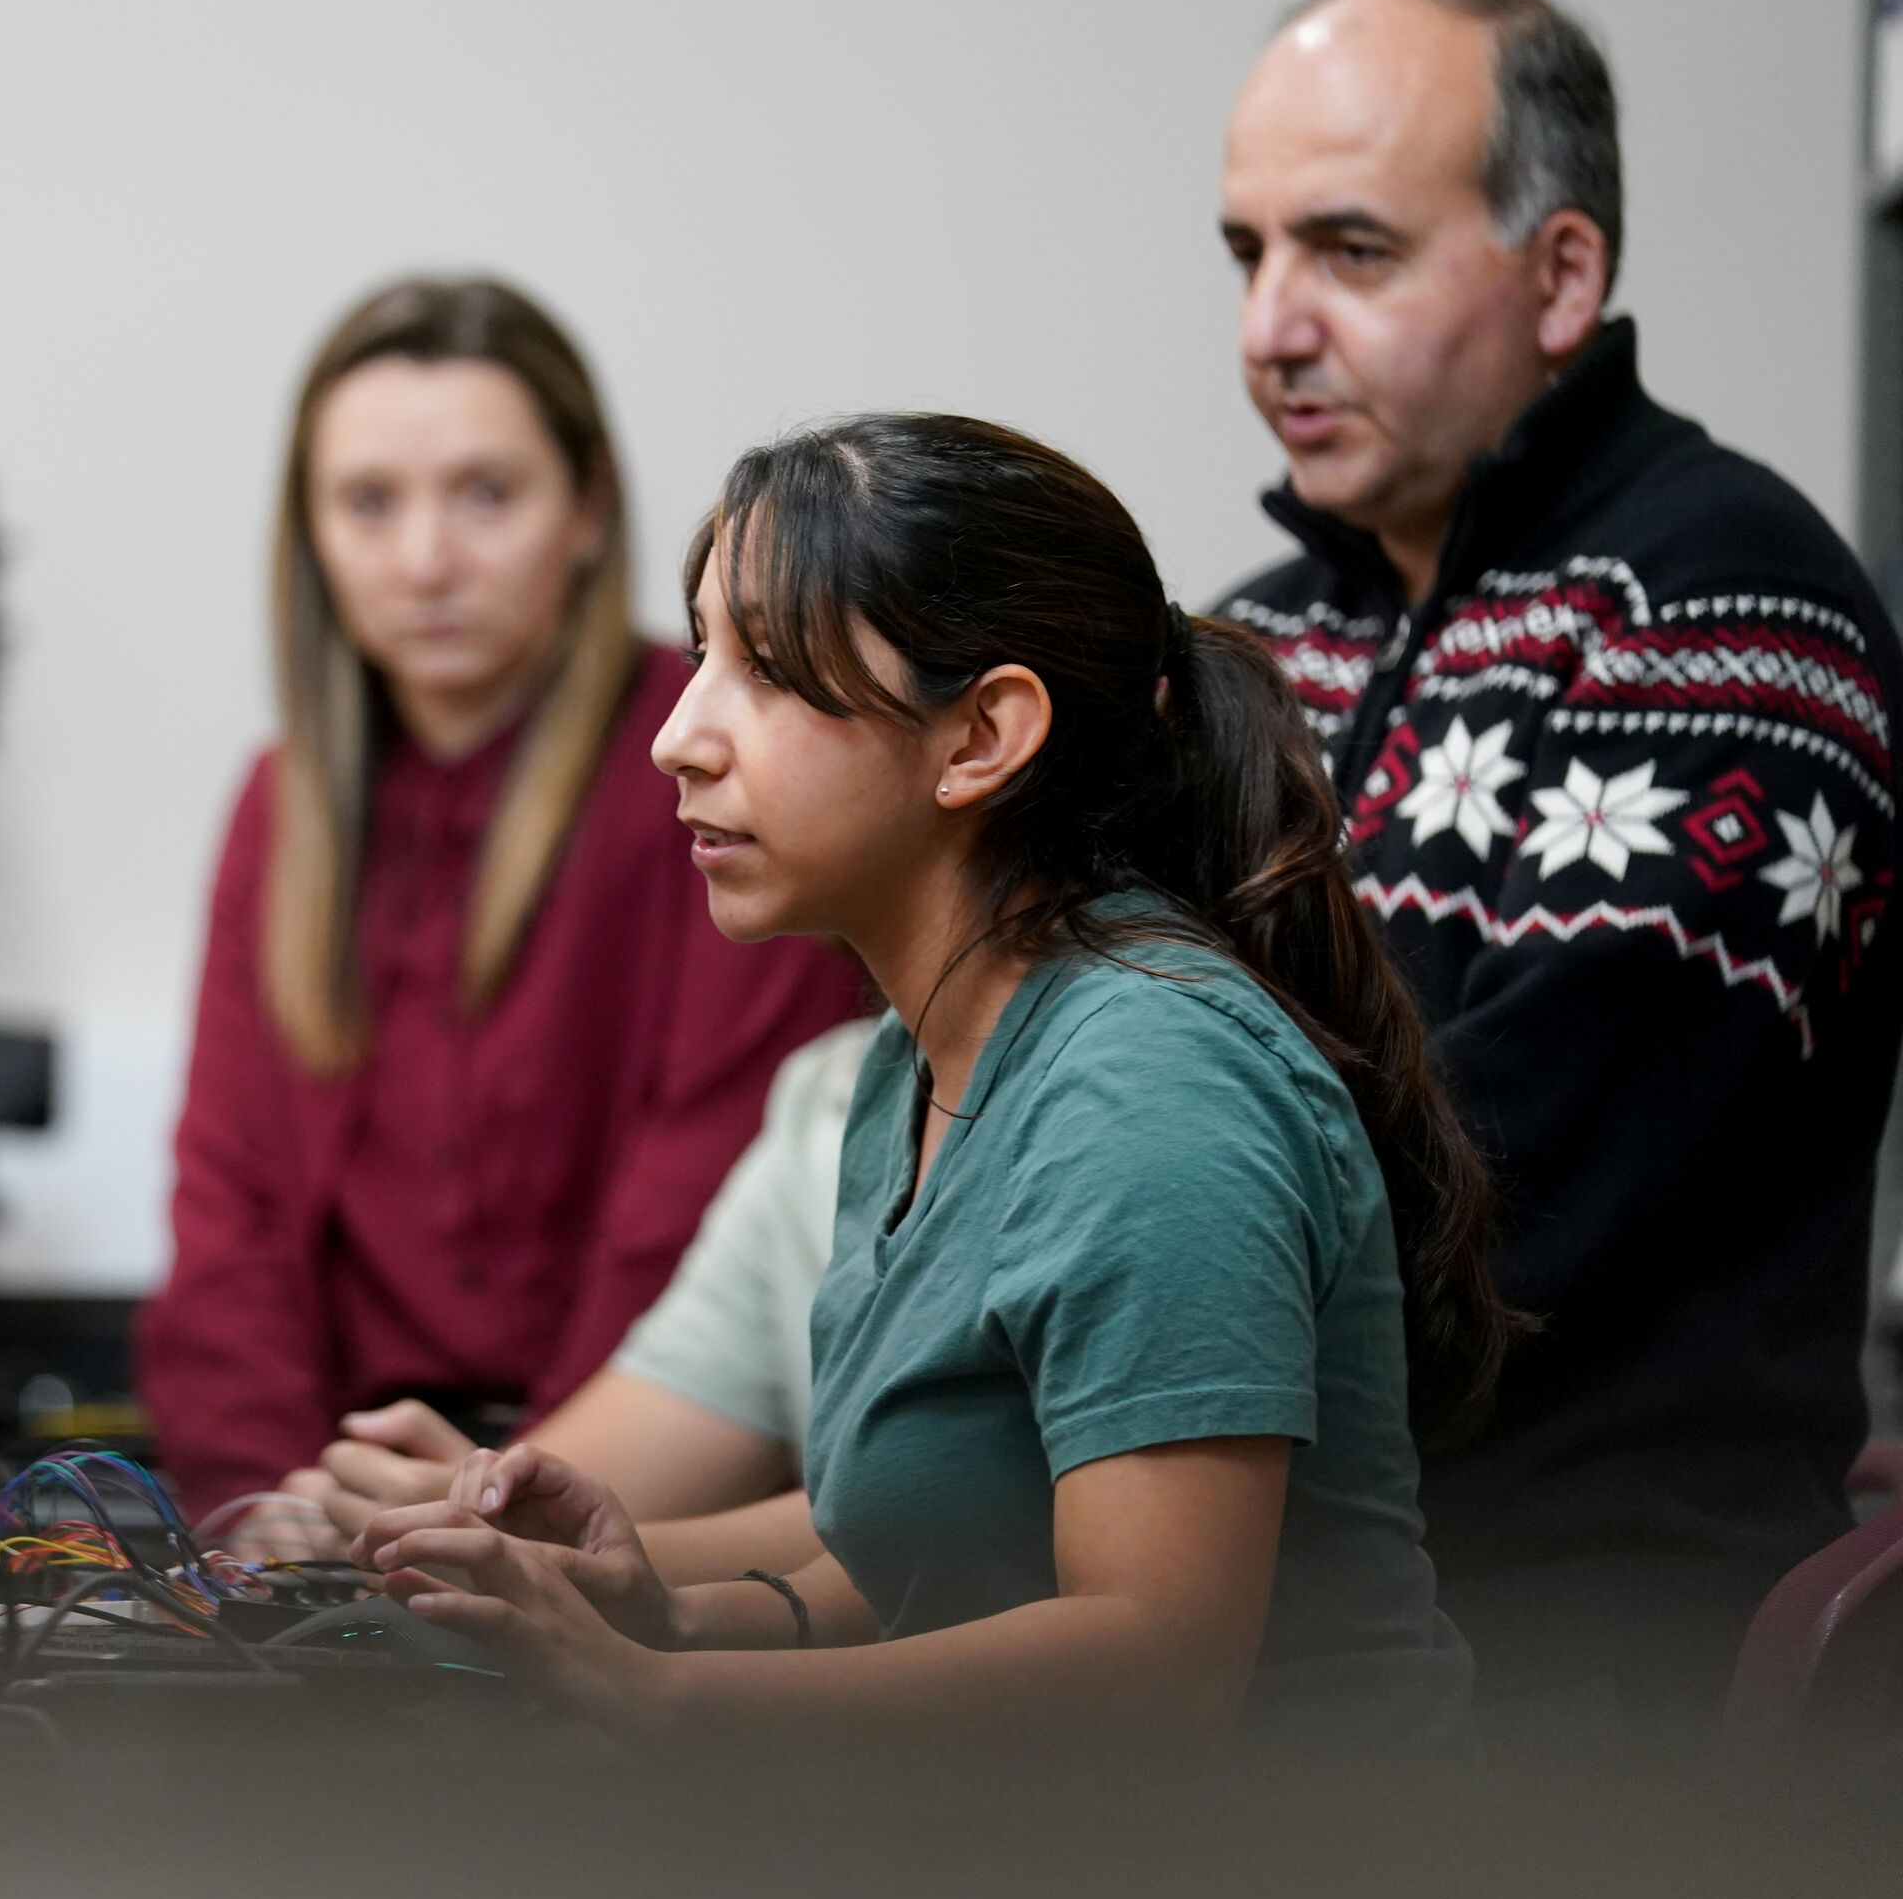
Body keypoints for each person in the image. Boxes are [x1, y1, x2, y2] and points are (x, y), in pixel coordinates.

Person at [355, 414, 1516, 1753]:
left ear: (981, 738)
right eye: (699, 659)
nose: (680, 736)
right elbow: (948, 1549)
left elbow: (1157, 1661)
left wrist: (658, 1693)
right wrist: (654, 1599)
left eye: (771, 674)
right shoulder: (921, 1060)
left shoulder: (1150, 1087)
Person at [1213, 0, 1903, 1741]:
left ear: (1562, 276)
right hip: (1240, 1619)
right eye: (1249, 252)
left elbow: (1491, 1232)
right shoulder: (1246, 651)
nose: (1271, 326)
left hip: (1568, 1679)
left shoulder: (1741, 620)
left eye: (1349, 251)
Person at [137, 278, 866, 1518]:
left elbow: (698, 1210)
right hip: (345, 1498)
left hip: (636, 1483)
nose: (424, 561)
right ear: (308, 532)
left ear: (586, 509)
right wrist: (272, 1510)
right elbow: (231, 1221)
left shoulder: (710, 770)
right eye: (368, 503)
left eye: (485, 494)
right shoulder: (282, 805)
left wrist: (509, 1504)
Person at [272, 1015, 876, 1581]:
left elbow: (929, 1532)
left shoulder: (926, 1118)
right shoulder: (827, 1094)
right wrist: (442, 1507)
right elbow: (662, 1420)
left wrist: (492, 1546)